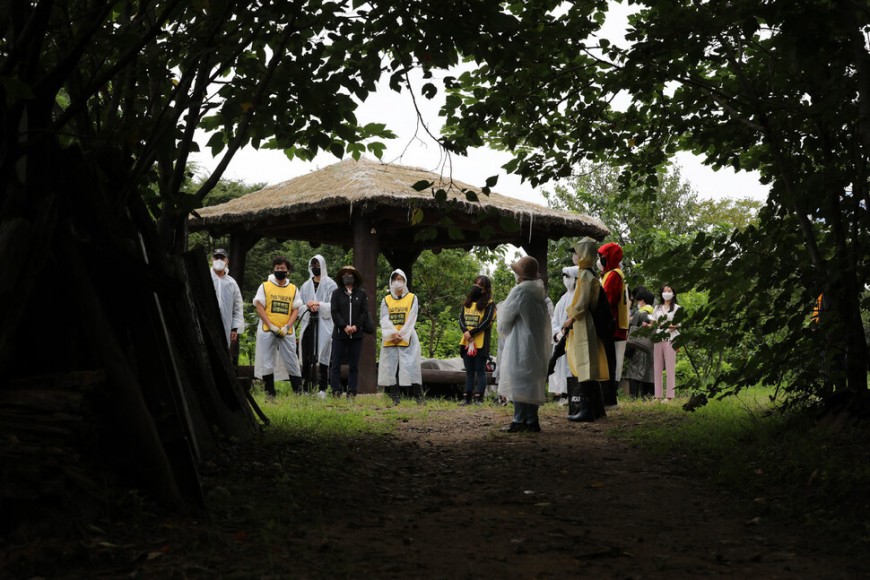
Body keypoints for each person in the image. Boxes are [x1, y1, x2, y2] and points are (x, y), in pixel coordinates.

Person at [497, 256, 551, 433]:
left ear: (520, 276)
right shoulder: (540, 292)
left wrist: (503, 329)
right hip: (537, 343)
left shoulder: (519, 291)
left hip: (520, 342)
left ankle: (518, 419)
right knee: (533, 381)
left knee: (519, 378)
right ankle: (532, 420)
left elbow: (505, 319)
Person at [562, 238, 610, 422]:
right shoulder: (591, 273)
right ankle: (595, 408)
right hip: (589, 322)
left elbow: (581, 303)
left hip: (583, 323)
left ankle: (587, 409)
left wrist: (569, 319)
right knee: (590, 363)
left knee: (585, 364)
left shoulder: (584, 275)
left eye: (576, 252)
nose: (574, 256)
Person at [253, 256, 304, 400]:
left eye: (282, 268)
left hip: (286, 330)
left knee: (292, 359)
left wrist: (288, 325)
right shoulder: (265, 286)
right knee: (267, 360)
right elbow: (259, 306)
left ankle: (298, 393)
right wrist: (271, 326)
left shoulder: (293, 289)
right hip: (267, 329)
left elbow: (296, 309)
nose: (280, 271)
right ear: (273, 270)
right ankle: (270, 394)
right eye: (277, 268)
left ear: (288, 271)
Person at [378, 269, 423, 404]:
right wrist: (393, 334)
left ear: (404, 281)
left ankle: (419, 397)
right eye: (395, 279)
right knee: (391, 368)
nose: (397, 282)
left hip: (408, 337)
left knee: (412, 367)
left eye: (400, 279)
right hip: (390, 338)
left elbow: (412, 317)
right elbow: (384, 319)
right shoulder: (386, 300)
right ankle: (394, 397)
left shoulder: (412, 298)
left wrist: (402, 335)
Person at [329, 265, 373, 398]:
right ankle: (336, 389)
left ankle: (352, 390)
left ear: (354, 277)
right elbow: (334, 312)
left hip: (356, 335)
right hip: (339, 334)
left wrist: (356, 326)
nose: (347, 277)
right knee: (335, 363)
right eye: (344, 275)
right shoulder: (336, 293)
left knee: (353, 365)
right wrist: (344, 326)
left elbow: (364, 313)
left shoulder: (361, 293)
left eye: (349, 274)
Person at [298, 255, 337, 396]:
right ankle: (306, 386)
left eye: (318, 265)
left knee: (325, 355)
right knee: (307, 353)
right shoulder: (305, 285)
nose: (315, 268)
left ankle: (322, 387)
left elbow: (334, 305)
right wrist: (308, 305)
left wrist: (318, 304)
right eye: (313, 265)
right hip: (309, 323)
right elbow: (299, 306)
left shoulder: (330, 284)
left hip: (325, 325)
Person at [597, 242, 629, 407]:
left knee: (610, 362)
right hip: (612, 324)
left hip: (612, 325)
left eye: (602, 257)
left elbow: (607, 300)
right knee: (609, 361)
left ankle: (609, 398)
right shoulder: (608, 274)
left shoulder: (614, 275)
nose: (599, 260)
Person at [459, 275, 496, 405]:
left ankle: (479, 398)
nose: (476, 287)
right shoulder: (467, 303)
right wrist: (465, 333)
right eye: (475, 284)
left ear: (486, 289)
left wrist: (471, 333)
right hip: (466, 341)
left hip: (481, 343)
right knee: (469, 371)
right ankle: (467, 398)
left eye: (480, 285)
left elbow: (486, 322)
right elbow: (461, 319)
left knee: (480, 370)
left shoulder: (490, 304)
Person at [548, 266, 579, 404]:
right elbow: (555, 320)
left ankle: (572, 394)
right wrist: (557, 333)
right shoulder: (563, 298)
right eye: (564, 277)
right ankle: (562, 393)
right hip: (562, 338)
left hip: (574, 338)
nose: (566, 280)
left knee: (572, 366)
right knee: (561, 367)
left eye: (569, 277)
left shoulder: (579, 297)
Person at [209, 248, 245, 352]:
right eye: (216, 258)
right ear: (212, 259)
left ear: (227, 261)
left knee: (223, 351)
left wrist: (234, 328)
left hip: (226, 325)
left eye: (222, 258)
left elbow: (237, 306)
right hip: (207, 322)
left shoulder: (231, 283)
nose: (219, 261)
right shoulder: (206, 277)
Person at [623, 286, 655, 399]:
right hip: (650, 347)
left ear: (642, 301)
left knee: (634, 372)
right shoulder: (654, 313)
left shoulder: (639, 313)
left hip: (638, 347)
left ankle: (633, 397)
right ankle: (647, 396)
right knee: (647, 372)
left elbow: (631, 329)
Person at [652, 285, 681, 402]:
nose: (666, 293)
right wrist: (648, 325)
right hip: (658, 338)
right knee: (657, 367)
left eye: (669, 291)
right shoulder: (657, 308)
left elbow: (676, 325)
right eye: (664, 291)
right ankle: (658, 396)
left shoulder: (678, 308)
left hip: (671, 339)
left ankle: (669, 396)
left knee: (670, 368)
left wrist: (663, 326)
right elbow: (653, 323)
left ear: (673, 293)